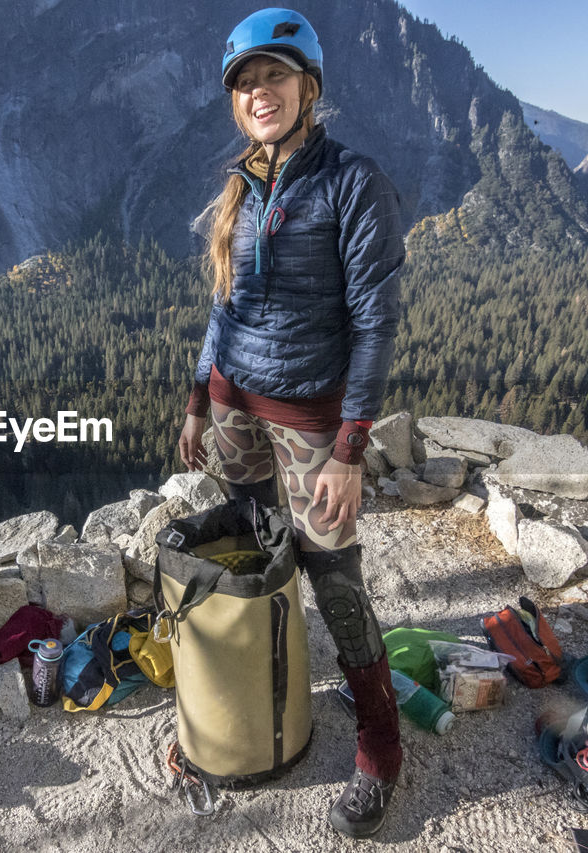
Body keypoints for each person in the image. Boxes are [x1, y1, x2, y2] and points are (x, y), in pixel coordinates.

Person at [176, 7, 406, 840]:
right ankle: (272, 676)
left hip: (313, 418)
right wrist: (201, 395)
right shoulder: (241, 185)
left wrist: (351, 445)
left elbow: (377, 319)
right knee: (263, 545)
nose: (258, 92)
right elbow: (221, 305)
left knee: (333, 572)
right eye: (245, 82)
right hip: (237, 406)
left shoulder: (352, 181)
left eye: (273, 75)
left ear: (309, 87)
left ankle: (381, 743)